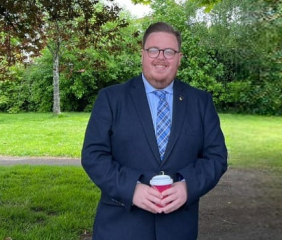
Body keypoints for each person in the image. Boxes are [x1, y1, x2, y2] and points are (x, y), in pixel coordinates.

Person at [81, 21, 228, 240]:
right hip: (120, 228)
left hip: (178, 229)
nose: (161, 57)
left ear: (179, 58)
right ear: (142, 54)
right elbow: (93, 156)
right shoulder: (111, 99)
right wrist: (131, 188)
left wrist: (188, 186)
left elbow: (217, 157)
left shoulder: (200, 102)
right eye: (153, 50)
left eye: (169, 51)